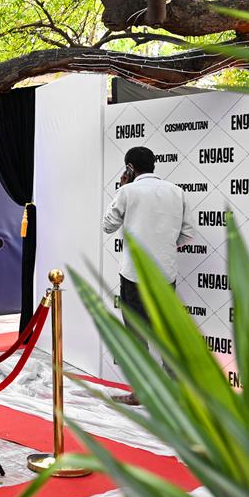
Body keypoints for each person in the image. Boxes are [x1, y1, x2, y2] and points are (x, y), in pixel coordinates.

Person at [102, 145, 196, 405]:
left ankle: (141, 392)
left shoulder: (127, 191)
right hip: (166, 274)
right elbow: (188, 235)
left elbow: (108, 225)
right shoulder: (177, 192)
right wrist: (164, 247)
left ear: (130, 168)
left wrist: (121, 188)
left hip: (134, 275)